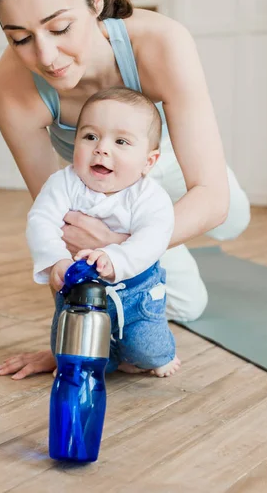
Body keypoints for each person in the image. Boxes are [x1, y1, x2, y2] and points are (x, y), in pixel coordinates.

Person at [0, 0, 250, 380]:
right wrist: (74, 338)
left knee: (230, 217)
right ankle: (168, 250)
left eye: (59, 27)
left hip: (161, 163)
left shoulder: (161, 41)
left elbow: (209, 196)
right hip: (96, 189)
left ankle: (175, 234)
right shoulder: (12, 89)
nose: (46, 56)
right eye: (21, 38)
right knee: (189, 302)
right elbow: (61, 219)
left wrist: (126, 248)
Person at [27, 87, 181, 377]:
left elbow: (153, 238)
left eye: (121, 141)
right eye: (90, 137)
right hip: (79, 294)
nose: (102, 148)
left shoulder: (149, 197)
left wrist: (116, 259)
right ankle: (110, 359)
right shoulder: (64, 183)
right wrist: (55, 260)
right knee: (77, 358)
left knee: (146, 348)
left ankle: (160, 354)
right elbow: (41, 220)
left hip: (137, 292)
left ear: (148, 161)